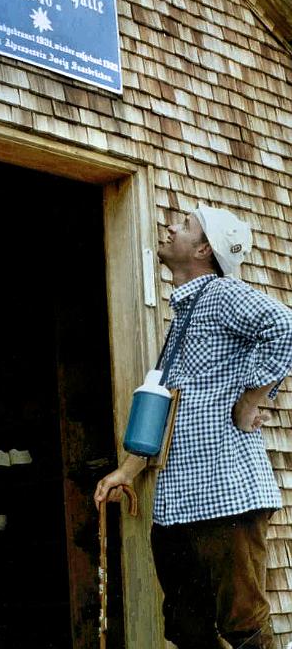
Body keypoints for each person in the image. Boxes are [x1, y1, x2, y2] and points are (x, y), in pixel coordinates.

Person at [94, 203, 292, 649]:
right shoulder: (182, 318)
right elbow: (166, 406)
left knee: (243, 626)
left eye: (184, 225)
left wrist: (250, 401)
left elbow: (285, 327)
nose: (169, 225)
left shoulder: (221, 294)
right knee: (188, 630)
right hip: (177, 505)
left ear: (204, 249)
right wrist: (128, 470)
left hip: (226, 498)